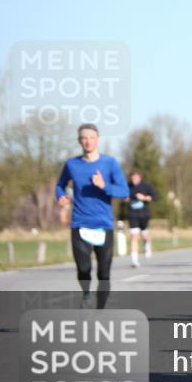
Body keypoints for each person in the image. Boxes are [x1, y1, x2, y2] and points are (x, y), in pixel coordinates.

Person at [55, 123, 129, 307]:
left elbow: (124, 191)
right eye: (84, 138)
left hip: (103, 224)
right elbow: (60, 185)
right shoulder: (72, 164)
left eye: (91, 137)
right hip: (80, 223)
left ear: (97, 139)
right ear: (80, 141)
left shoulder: (109, 163)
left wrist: (104, 186)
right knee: (83, 268)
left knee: (103, 274)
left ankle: (100, 309)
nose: (87, 141)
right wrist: (61, 196)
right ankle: (87, 294)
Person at [124, 171, 158, 268]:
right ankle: (134, 260)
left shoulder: (146, 186)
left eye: (135, 178)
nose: (134, 180)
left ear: (139, 178)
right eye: (132, 178)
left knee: (144, 234)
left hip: (144, 214)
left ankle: (147, 244)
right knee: (134, 236)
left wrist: (145, 198)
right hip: (132, 214)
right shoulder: (128, 186)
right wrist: (126, 198)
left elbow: (155, 197)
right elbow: (123, 196)